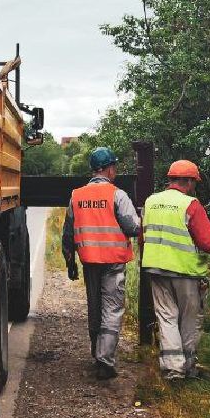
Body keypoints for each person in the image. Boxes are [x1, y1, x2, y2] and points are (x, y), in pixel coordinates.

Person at [140, 159, 210, 380]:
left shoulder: (150, 202)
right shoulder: (190, 205)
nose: (195, 187)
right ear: (189, 181)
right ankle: (189, 368)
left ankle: (173, 369)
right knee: (189, 321)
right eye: (194, 182)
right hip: (187, 272)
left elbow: (142, 237)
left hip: (155, 269)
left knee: (166, 318)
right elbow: (209, 243)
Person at [61, 147, 141, 380]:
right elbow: (133, 228)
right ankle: (105, 360)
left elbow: (68, 233)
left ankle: (96, 354)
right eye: (114, 166)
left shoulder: (76, 196)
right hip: (113, 262)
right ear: (108, 169)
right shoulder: (118, 195)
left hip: (89, 261)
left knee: (94, 308)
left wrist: (70, 261)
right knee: (112, 309)